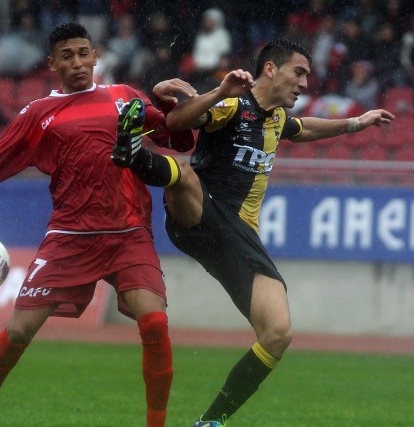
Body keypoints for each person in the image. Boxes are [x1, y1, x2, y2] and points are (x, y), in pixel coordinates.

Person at [0, 21, 197, 427]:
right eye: (67, 56)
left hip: (128, 234)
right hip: (70, 238)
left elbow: (181, 142)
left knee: (154, 322)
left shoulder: (125, 97)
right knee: (18, 333)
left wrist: (172, 105)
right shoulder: (38, 114)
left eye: (84, 53)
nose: (78, 63)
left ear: (95, 55)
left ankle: (156, 422)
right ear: (52, 64)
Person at [112, 39, 395, 426]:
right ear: (270, 69)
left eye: (308, 76)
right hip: (199, 214)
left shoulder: (277, 119)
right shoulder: (233, 105)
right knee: (186, 175)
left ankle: (210, 421)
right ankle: (134, 154)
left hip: (239, 237)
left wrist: (353, 124)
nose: (305, 83)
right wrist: (218, 92)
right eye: (299, 72)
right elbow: (178, 123)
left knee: (278, 333)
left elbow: (303, 128)